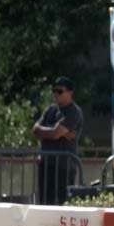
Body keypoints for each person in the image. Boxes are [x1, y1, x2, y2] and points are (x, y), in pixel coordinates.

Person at [31, 76, 84, 205]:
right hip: (46, 163)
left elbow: (55, 134)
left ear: (70, 93)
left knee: (62, 203)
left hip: (64, 166)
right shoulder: (50, 110)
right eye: (54, 91)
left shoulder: (73, 112)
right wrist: (56, 131)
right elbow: (35, 131)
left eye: (60, 91)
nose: (56, 94)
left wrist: (50, 132)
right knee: (44, 201)